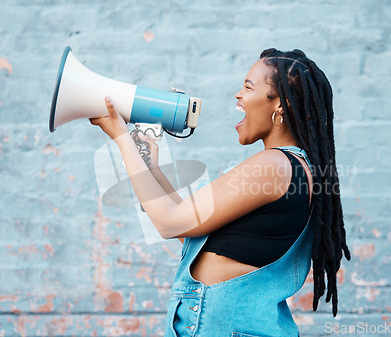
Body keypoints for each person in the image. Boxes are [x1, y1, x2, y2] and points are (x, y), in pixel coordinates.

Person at [89, 48, 351, 336]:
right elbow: (189, 228)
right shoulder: (293, 166)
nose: (238, 95)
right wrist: (151, 167)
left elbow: (169, 222)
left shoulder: (273, 165)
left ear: (281, 105)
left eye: (248, 87)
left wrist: (121, 137)